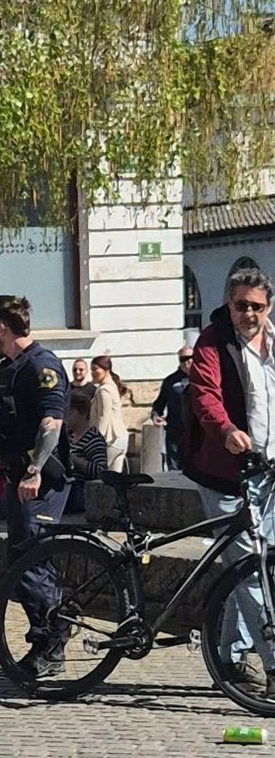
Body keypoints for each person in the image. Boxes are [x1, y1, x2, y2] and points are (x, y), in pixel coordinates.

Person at [182, 265, 275, 696]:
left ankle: (231, 658)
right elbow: (205, 395)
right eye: (241, 306)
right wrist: (226, 431)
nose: (249, 314)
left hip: (268, 474)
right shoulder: (213, 341)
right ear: (229, 304)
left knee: (251, 568)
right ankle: (273, 663)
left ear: (268, 306)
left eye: (257, 306)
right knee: (250, 570)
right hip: (225, 474)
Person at [0, 294, 71, 679]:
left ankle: (52, 642)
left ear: (2, 327)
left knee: (32, 561)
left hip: (40, 482)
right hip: (16, 478)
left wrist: (34, 470)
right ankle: (46, 636)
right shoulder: (8, 369)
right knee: (22, 563)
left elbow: (52, 423)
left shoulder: (41, 366)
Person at [66, 391, 108, 512]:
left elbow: (100, 471)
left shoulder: (93, 438)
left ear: (83, 413)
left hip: (81, 491)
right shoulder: (68, 436)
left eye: (70, 413)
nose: (66, 417)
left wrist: (75, 460)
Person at [152, 347, 192, 471]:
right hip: (176, 432)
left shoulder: (203, 378)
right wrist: (155, 416)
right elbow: (159, 404)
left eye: (191, 358)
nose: (188, 362)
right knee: (174, 468)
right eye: (184, 359)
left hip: (197, 432)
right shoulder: (170, 381)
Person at [90, 355, 129, 472]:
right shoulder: (112, 386)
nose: (92, 373)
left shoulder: (104, 390)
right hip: (121, 439)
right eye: (91, 370)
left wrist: (97, 441)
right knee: (114, 478)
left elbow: (103, 417)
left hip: (111, 438)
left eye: (95, 369)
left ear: (106, 370)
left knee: (96, 472)